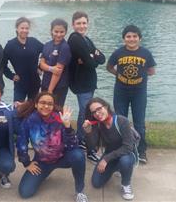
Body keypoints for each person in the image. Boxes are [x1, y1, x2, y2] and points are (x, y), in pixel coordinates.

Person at [16, 92, 88, 202]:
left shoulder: (60, 119)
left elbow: (73, 145)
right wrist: (26, 163)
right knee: (25, 192)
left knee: (78, 155)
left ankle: (80, 191)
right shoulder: (29, 121)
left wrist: (68, 127)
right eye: (42, 103)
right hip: (42, 162)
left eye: (50, 104)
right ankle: (44, 174)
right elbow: (21, 143)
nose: (46, 106)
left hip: (63, 158)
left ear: (53, 106)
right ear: (36, 104)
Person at [107, 24, 156, 164]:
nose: (132, 39)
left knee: (139, 123)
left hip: (139, 93)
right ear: (124, 39)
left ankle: (141, 151)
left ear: (140, 38)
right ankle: (120, 148)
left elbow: (152, 71)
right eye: (128, 36)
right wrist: (119, 74)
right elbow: (109, 67)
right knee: (120, 121)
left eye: (135, 36)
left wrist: (140, 76)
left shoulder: (146, 53)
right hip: (121, 92)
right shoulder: (118, 53)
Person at [67, 11, 105, 163]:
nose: (82, 26)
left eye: (84, 23)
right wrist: (91, 58)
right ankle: (87, 146)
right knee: (87, 113)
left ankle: (80, 139)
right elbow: (92, 63)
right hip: (81, 83)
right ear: (73, 25)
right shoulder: (75, 39)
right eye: (78, 23)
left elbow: (102, 58)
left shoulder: (86, 39)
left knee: (84, 112)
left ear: (87, 23)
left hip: (88, 82)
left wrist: (91, 57)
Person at [83, 97, 138, 201]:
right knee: (96, 183)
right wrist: (89, 132)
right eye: (94, 112)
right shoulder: (98, 125)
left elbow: (128, 147)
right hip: (111, 155)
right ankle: (117, 167)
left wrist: (105, 159)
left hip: (127, 154)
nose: (97, 113)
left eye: (99, 109)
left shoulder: (122, 121)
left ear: (106, 106)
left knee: (125, 161)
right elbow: (93, 147)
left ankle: (125, 184)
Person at [3, 17, 43, 102]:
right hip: (20, 83)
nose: (24, 30)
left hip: (35, 82)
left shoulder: (34, 42)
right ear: (17, 28)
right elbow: (2, 64)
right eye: (22, 28)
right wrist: (11, 75)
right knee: (18, 111)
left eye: (27, 28)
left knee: (33, 109)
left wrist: (40, 67)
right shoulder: (10, 45)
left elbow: (47, 52)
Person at [39, 19, 71, 107]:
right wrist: (51, 68)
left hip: (58, 87)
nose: (59, 34)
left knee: (56, 111)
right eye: (56, 31)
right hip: (45, 83)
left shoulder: (65, 47)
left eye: (62, 32)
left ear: (66, 32)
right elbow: (41, 64)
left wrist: (50, 91)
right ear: (51, 31)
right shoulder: (47, 45)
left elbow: (58, 72)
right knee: (43, 109)